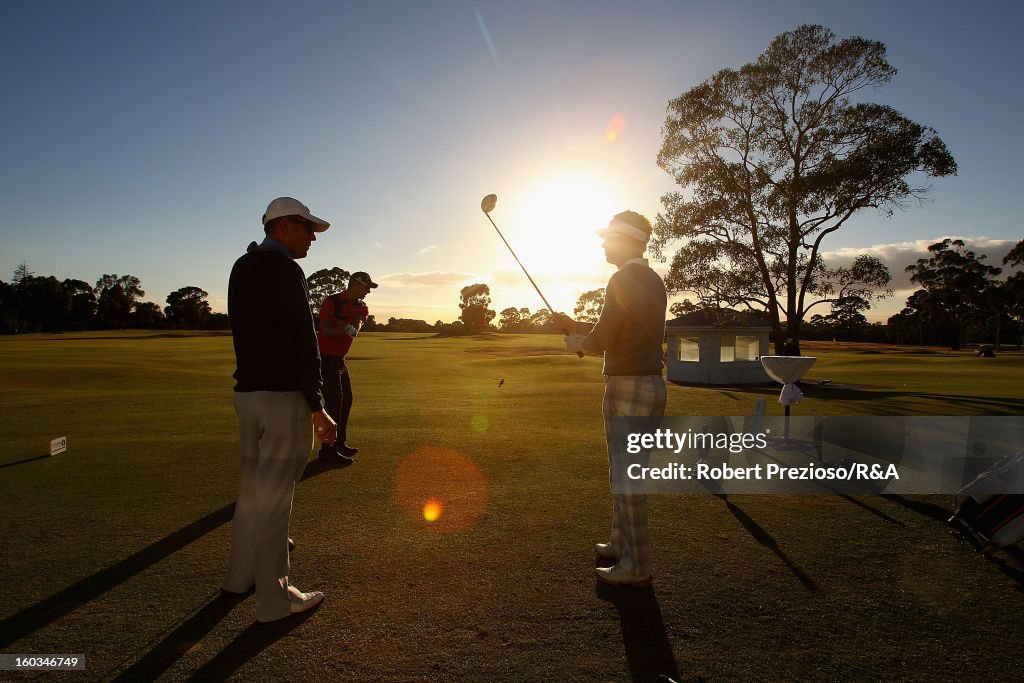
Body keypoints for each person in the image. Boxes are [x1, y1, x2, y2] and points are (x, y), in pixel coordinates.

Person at [222, 196, 338, 623]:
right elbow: (302, 341)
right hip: (282, 399)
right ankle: (274, 600)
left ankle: (240, 577)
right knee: (273, 501)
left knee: (252, 492)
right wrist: (318, 406)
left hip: (248, 397)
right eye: (307, 228)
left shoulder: (243, 264)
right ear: (283, 225)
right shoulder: (287, 269)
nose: (312, 237)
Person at [553, 210, 667, 587]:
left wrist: (578, 342)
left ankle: (637, 567)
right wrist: (579, 332)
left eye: (608, 238)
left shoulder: (623, 278)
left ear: (627, 241)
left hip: (628, 386)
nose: (603, 244)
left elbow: (602, 338)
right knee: (625, 474)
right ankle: (621, 545)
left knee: (626, 478)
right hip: (649, 384)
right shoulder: (651, 279)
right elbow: (618, 330)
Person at [316, 271, 377, 464]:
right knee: (334, 401)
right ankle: (327, 450)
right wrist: (341, 328)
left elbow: (358, 323)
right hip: (324, 358)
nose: (368, 291)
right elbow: (324, 328)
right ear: (356, 284)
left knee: (346, 399)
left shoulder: (361, 307)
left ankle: (339, 443)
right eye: (366, 287)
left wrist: (352, 327)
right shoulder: (331, 302)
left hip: (339, 359)